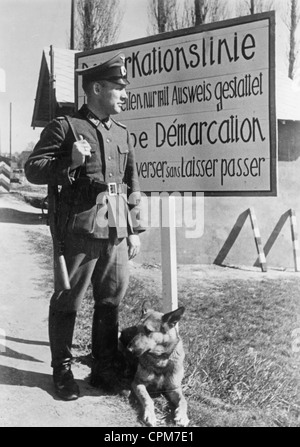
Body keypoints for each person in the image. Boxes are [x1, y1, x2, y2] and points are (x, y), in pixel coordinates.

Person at [25, 52, 145, 401]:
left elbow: (131, 182)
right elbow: (34, 169)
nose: (124, 95)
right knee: (68, 300)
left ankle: (104, 368)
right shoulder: (66, 127)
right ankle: (62, 369)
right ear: (95, 88)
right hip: (80, 229)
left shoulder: (122, 133)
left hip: (116, 228)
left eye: (125, 88)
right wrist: (70, 161)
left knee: (110, 300)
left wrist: (133, 230)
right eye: (117, 88)